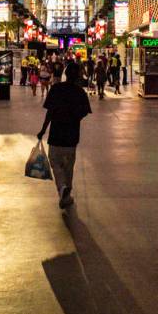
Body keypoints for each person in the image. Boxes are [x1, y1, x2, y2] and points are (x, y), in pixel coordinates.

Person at [37, 62, 92, 209]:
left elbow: (49, 112)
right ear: (78, 76)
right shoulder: (80, 92)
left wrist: (43, 130)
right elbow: (85, 111)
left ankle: (62, 188)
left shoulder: (56, 89)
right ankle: (66, 194)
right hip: (72, 137)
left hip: (56, 135)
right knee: (68, 168)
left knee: (55, 164)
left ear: (65, 74)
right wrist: (74, 118)